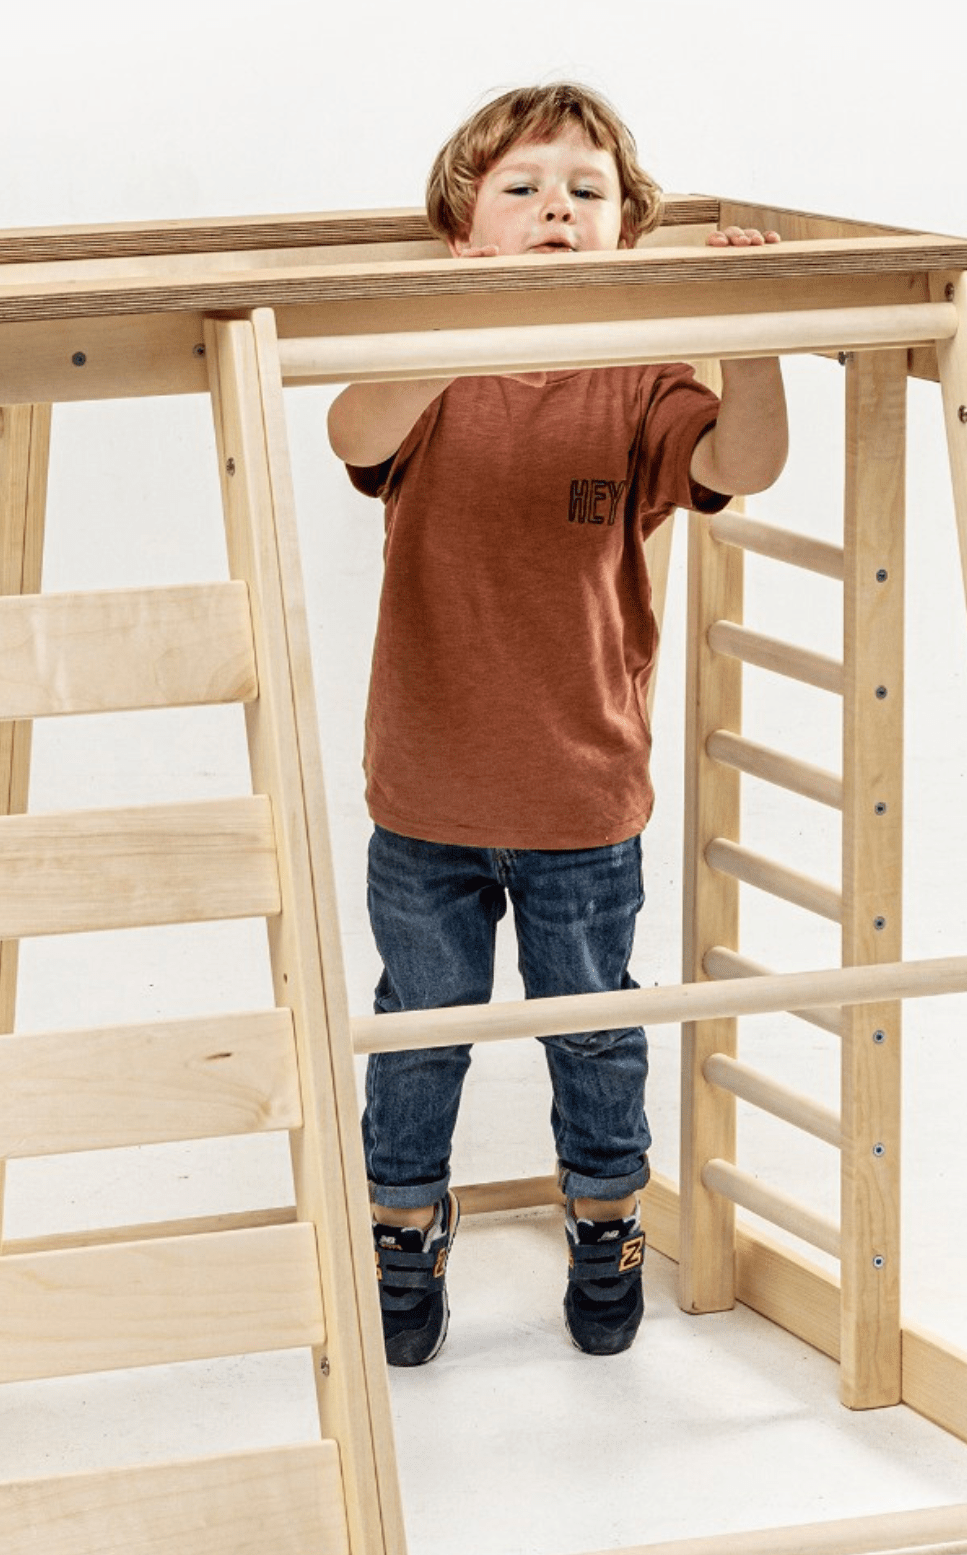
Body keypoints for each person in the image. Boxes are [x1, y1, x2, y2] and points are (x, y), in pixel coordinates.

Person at [326, 82, 787, 1365]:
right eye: (521, 190)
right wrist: (449, 329)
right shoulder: (428, 385)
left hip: (582, 797)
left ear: (625, 237)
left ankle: (606, 1217)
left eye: (587, 194)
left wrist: (748, 331)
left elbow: (742, 464)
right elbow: (349, 427)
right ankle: (404, 1229)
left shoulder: (640, 380)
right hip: (424, 797)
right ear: (461, 234)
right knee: (421, 1031)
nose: (555, 211)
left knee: (592, 1026)